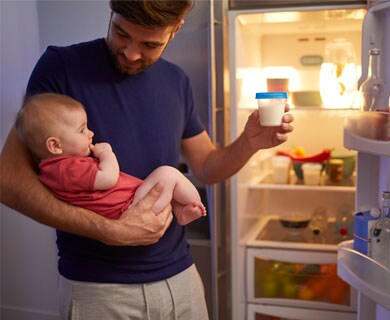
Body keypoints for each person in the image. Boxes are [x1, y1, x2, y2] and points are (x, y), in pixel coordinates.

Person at [0, 0, 294, 319]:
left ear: (175, 30)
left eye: (149, 44)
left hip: (181, 280)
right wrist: (109, 230)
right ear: (111, 12)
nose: (130, 53)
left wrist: (249, 143)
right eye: (120, 32)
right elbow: (9, 180)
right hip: (99, 290)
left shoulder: (177, 81)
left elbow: (207, 167)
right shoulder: (60, 66)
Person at [16, 92, 207, 225]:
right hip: (129, 208)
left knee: (166, 187)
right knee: (168, 173)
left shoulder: (50, 171)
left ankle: (181, 212)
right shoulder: (68, 168)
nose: (91, 133)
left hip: (129, 204)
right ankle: (193, 202)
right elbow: (108, 179)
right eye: (82, 130)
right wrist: (107, 154)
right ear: (55, 146)